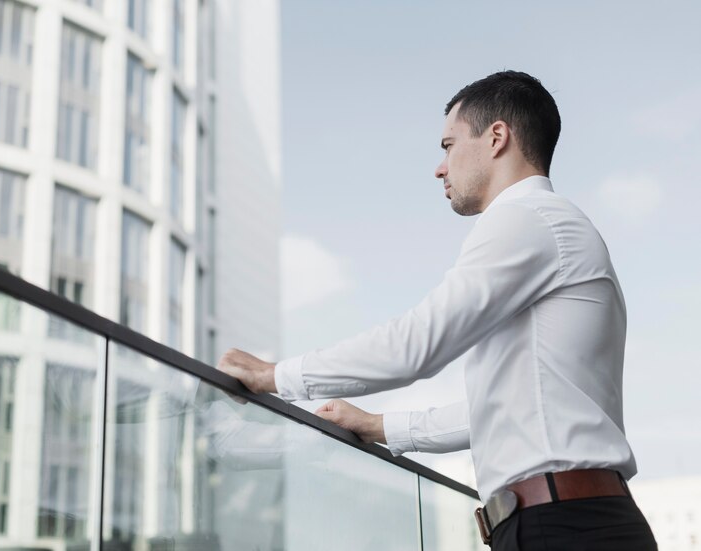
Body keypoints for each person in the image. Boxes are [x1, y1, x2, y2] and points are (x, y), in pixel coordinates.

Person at [218, 71, 657, 550]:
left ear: (496, 138)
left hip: (564, 525)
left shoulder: (527, 219)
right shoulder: (551, 229)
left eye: (448, 145)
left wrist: (273, 376)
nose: (439, 167)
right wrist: (378, 426)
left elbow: (415, 346)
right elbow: (496, 411)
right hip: (565, 521)